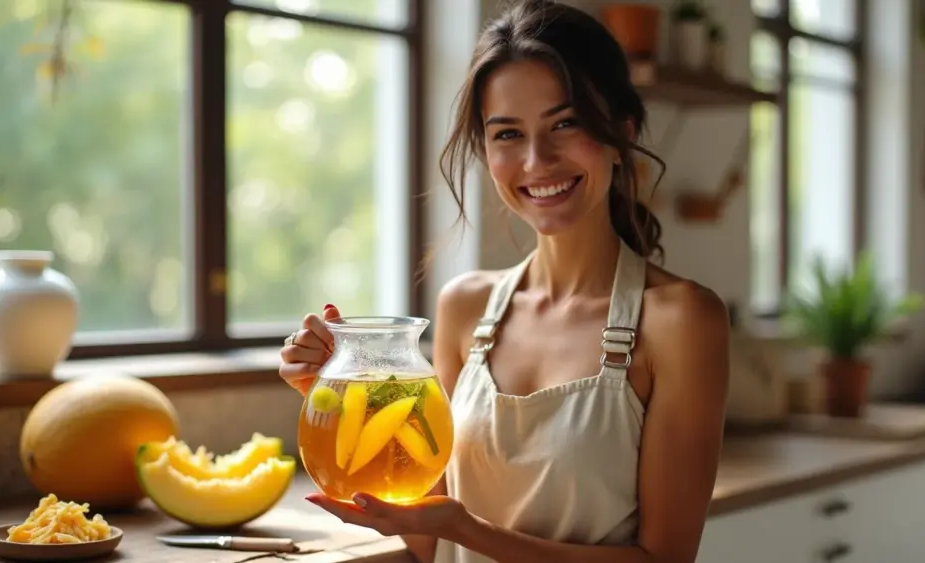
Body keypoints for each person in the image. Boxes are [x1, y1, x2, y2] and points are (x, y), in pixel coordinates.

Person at [278, 1, 731, 562]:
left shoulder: (681, 321)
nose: (537, 160)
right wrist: (334, 397)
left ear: (620, 134)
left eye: (565, 124)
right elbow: (428, 538)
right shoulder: (464, 308)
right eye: (508, 134)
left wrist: (470, 530)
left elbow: (665, 560)